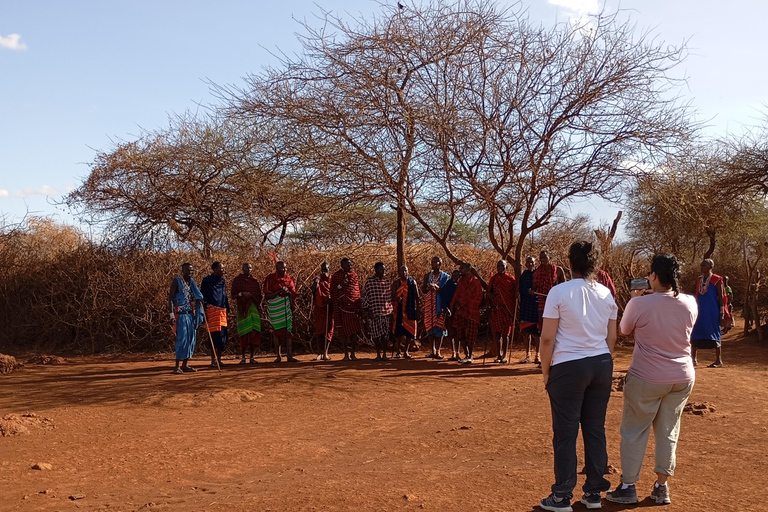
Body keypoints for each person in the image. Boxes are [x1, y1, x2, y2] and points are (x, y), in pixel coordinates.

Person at [606, 254, 697, 507]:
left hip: (646, 376)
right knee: (669, 431)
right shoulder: (690, 302)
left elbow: (624, 330)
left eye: (649, 274)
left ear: (654, 276)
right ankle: (661, 487)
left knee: (634, 431)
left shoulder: (640, 304)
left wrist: (635, 300)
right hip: (682, 376)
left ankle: (628, 486)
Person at [538, 241, 617, 512]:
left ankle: (561, 496)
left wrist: (545, 370)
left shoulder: (558, 292)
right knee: (595, 429)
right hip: (601, 364)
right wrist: (603, 361)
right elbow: (612, 338)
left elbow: (547, 338)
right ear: (594, 264)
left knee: (565, 433)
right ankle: (594, 493)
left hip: (568, 367)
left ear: (569, 263)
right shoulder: (606, 294)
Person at [168, 263, 204, 374]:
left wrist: (198, 300)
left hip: (190, 315)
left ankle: (185, 364)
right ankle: (177, 366)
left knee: (191, 339)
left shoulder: (192, 283)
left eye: (192, 271)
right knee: (182, 340)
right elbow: (170, 298)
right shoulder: (177, 281)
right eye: (188, 270)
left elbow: (195, 296)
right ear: (182, 271)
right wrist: (171, 315)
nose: (190, 273)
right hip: (181, 315)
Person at [690, 259, 726, 368]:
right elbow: (698, 294)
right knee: (695, 332)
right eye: (701, 265)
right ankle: (693, 359)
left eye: (704, 265)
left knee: (714, 332)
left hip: (712, 311)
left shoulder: (717, 279)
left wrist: (722, 311)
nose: (701, 267)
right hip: (700, 310)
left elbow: (721, 297)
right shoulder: (700, 279)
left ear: (710, 267)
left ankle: (718, 360)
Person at [263, 261, 298, 363]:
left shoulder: (288, 279)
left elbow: (293, 292)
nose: (285, 270)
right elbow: (267, 296)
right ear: (277, 269)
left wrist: (289, 294)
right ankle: (278, 356)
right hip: (275, 308)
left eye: (286, 268)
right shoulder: (270, 279)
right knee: (276, 332)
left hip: (286, 307)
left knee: (288, 331)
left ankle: (289, 356)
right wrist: (279, 291)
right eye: (283, 268)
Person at [450, 262, 484, 364]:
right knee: (461, 334)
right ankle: (466, 354)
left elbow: (477, 296)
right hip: (461, 311)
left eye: (462, 269)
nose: (460, 270)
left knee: (470, 335)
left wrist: (464, 303)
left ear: (468, 270)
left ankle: (470, 355)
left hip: (472, 311)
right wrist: (456, 304)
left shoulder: (475, 281)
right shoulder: (460, 281)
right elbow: (457, 295)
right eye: (460, 269)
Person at [331, 258, 363, 360]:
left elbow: (356, 291)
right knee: (343, 332)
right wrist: (341, 285)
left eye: (350, 264)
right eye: (347, 265)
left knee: (354, 332)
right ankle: (345, 354)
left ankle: (353, 353)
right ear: (342, 265)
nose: (350, 266)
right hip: (342, 308)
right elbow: (332, 290)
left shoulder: (354, 275)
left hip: (354, 308)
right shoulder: (336, 276)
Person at [231, 262, 263, 364]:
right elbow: (233, 295)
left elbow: (259, 295)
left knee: (254, 331)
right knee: (244, 333)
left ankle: (252, 357)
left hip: (253, 308)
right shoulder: (237, 280)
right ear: (242, 269)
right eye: (246, 267)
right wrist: (241, 294)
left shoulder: (255, 281)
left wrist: (251, 295)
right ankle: (243, 357)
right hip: (242, 309)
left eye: (250, 267)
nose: (249, 269)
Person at [201, 261, 230, 368]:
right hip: (211, 310)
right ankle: (213, 360)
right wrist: (203, 309)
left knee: (222, 335)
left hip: (222, 310)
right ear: (215, 269)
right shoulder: (207, 281)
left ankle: (219, 359)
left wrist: (227, 308)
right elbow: (202, 295)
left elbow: (224, 295)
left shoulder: (222, 281)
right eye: (221, 268)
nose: (223, 270)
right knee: (213, 336)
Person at [488, 260, 517, 363]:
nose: (500, 267)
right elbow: (489, 292)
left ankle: (504, 355)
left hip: (507, 309)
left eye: (502, 266)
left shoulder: (511, 279)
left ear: (506, 267)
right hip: (496, 309)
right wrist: (490, 295)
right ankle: (499, 355)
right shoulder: (494, 279)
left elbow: (514, 295)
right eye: (498, 265)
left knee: (506, 334)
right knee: (497, 333)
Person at [362, 262, 394, 360]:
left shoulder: (387, 282)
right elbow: (366, 297)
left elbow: (389, 297)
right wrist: (368, 311)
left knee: (385, 335)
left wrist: (391, 311)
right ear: (376, 270)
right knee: (375, 335)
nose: (384, 271)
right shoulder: (370, 282)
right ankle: (378, 354)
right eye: (381, 269)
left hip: (386, 313)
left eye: (384, 269)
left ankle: (384, 354)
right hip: (374, 312)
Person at [423, 256, 451, 359]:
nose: (434, 264)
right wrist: (428, 287)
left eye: (436, 262)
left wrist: (437, 288)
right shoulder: (427, 276)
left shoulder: (445, 277)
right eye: (432, 262)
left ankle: (438, 351)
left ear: (440, 263)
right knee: (430, 326)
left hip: (440, 305)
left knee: (439, 327)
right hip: (429, 304)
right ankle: (432, 350)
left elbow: (446, 292)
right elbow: (423, 290)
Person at [533, 250, 567, 332]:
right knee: (543, 327)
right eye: (541, 258)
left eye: (545, 257)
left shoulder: (558, 270)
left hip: (555, 302)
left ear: (550, 258)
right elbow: (534, 289)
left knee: (556, 327)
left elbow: (565, 287)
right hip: (542, 302)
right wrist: (532, 291)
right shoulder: (537, 272)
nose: (542, 260)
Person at [391, 265, 420, 358]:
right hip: (399, 309)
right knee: (399, 331)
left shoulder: (412, 282)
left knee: (410, 331)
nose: (404, 273)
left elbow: (417, 296)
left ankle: (406, 351)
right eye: (401, 271)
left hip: (410, 309)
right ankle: (398, 351)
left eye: (405, 271)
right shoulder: (396, 283)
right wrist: (396, 299)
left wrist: (417, 309)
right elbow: (391, 296)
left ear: (408, 271)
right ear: (399, 273)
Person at [519, 256, 541, 364]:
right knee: (526, 332)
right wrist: (526, 291)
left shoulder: (539, 274)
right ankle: (527, 355)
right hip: (526, 304)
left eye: (532, 262)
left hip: (536, 304)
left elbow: (541, 287)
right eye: (528, 262)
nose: (530, 264)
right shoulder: (524, 275)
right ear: (526, 264)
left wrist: (535, 291)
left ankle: (538, 355)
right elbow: (521, 289)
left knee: (537, 332)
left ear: (535, 263)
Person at [311, 262, 334, 361]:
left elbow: (335, 292)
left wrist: (331, 299)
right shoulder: (317, 279)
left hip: (330, 307)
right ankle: (319, 353)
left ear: (329, 269)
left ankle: (326, 353)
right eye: (323, 268)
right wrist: (318, 280)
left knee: (329, 330)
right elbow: (313, 290)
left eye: (326, 268)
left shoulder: (332, 280)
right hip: (319, 308)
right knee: (319, 330)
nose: (324, 270)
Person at [442, 270, 461, 361]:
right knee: (451, 333)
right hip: (450, 311)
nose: (455, 277)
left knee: (458, 333)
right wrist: (446, 309)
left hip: (459, 312)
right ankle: (453, 352)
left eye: (457, 276)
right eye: (453, 275)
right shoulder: (448, 284)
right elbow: (444, 298)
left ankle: (458, 353)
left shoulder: (461, 285)